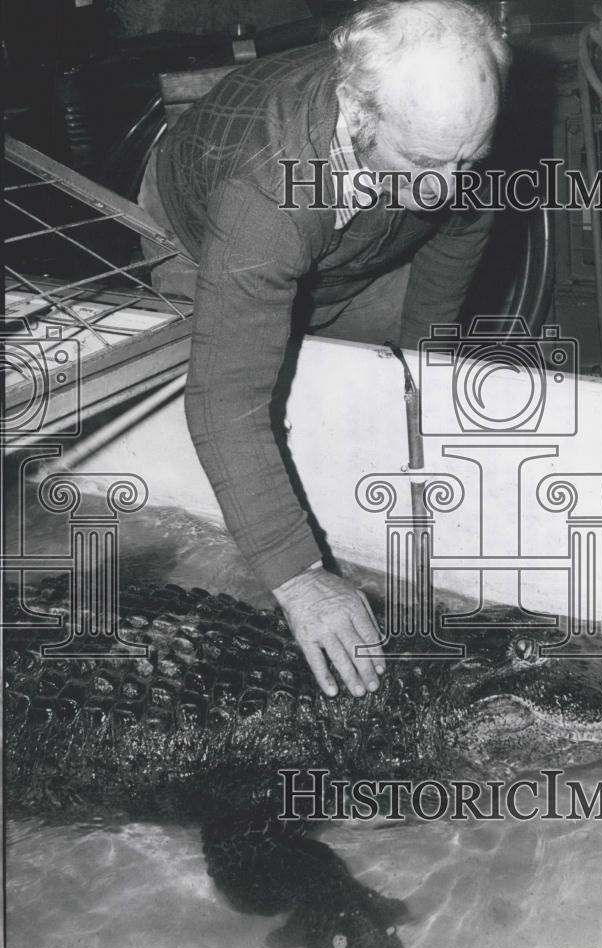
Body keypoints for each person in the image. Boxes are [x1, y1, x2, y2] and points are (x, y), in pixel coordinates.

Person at [139, 0, 510, 699]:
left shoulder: (445, 140)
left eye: (471, 159)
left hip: (349, 233)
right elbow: (224, 399)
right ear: (355, 106)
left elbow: (457, 231)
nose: (449, 187)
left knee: (363, 365)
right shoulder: (263, 193)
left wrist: (422, 368)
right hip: (200, 230)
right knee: (244, 378)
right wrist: (301, 579)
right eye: (428, 161)